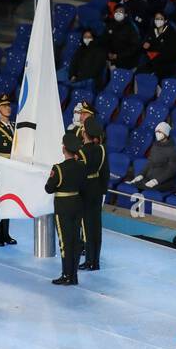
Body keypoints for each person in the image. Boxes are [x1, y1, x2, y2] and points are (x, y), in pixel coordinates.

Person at [45, 130, 88, 286]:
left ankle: (67, 274)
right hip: (77, 203)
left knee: (65, 242)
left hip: (63, 206)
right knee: (75, 241)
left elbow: (49, 188)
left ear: (64, 149)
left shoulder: (58, 168)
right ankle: (73, 275)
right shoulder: (82, 166)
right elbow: (84, 185)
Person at [78, 114, 108, 272]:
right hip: (97, 190)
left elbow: (79, 174)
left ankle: (89, 261)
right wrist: (102, 191)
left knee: (87, 227)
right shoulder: (102, 150)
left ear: (84, 133)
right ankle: (95, 261)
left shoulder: (82, 152)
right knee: (96, 227)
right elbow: (105, 173)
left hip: (85, 191)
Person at [128, 121, 176, 193]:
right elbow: (150, 162)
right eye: (156, 132)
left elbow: (171, 171)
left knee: (144, 188)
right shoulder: (155, 146)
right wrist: (141, 175)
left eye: (159, 132)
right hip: (150, 176)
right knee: (133, 184)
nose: (157, 134)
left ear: (166, 134)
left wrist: (156, 181)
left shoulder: (173, 151)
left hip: (164, 182)